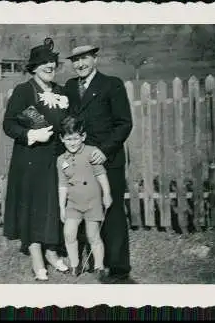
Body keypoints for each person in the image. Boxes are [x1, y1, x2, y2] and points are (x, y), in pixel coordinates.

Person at [63, 44, 134, 283]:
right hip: (81, 161)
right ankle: (96, 261)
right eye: (75, 60)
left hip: (107, 160)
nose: (80, 64)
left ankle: (118, 268)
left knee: (111, 210)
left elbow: (124, 123)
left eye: (84, 59)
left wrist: (105, 151)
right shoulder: (71, 87)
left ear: (95, 58)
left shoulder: (112, 84)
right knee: (87, 208)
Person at [2, 38, 70, 281]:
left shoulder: (61, 92)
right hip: (29, 158)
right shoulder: (23, 91)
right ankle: (36, 254)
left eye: (52, 62)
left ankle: (52, 251)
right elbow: (8, 124)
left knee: (53, 205)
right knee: (32, 205)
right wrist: (30, 134)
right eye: (44, 63)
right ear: (33, 68)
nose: (50, 66)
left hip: (55, 157)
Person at [57, 116, 112, 278]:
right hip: (73, 204)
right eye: (68, 139)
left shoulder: (91, 152)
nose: (73, 143)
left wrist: (107, 195)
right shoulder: (61, 160)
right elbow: (62, 185)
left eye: (76, 138)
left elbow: (101, 175)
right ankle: (75, 265)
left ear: (83, 137)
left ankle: (99, 266)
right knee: (69, 234)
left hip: (92, 202)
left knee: (93, 235)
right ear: (62, 139)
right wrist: (61, 206)